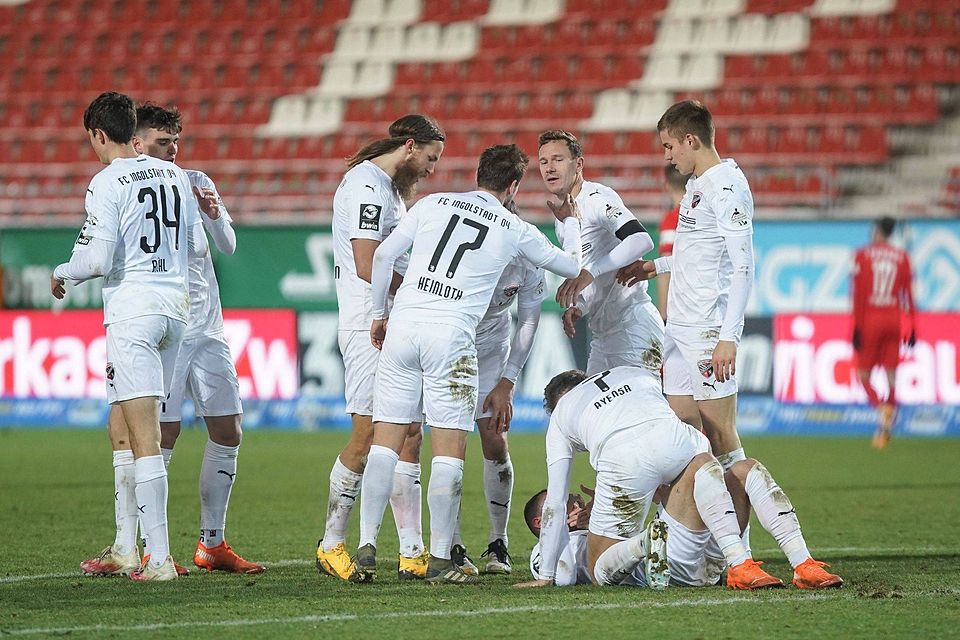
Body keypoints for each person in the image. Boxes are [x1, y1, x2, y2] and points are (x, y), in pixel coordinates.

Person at [354, 144, 583, 584]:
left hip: (404, 324)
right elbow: (571, 264)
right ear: (514, 185)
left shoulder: (432, 204)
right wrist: (569, 221)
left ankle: (366, 548)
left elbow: (381, 257)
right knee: (449, 448)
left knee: (386, 441)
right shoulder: (516, 229)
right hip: (451, 335)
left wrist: (380, 314)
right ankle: (441, 559)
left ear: (478, 174)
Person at [79, 103, 262, 576]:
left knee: (229, 429)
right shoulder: (134, 186)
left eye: (176, 142)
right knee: (157, 435)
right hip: (169, 324)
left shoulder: (193, 181)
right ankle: (136, 545)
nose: (173, 151)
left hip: (207, 329)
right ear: (137, 144)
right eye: (163, 143)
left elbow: (228, 245)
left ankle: (212, 543)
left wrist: (215, 213)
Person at [52, 91, 199, 581]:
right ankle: (124, 547)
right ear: (131, 128)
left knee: (143, 438)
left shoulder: (106, 181)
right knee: (123, 426)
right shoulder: (176, 175)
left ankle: (157, 558)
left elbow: (95, 260)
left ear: (98, 133)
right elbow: (196, 244)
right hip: (175, 308)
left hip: (133, 311)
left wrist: (63, 271)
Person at [513, 366, 785, 591]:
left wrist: (545, 575)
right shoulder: (627, 374)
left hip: (676, 557)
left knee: (599, 572)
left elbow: (556, 502)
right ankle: (745, 560)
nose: (577, 502)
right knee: (722, 472)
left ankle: (647, 542)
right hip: (685, 444)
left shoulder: (563, 414)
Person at [317, 115, 445, 582]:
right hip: (365, 324)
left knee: (409, 432)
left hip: (394, 324)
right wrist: (417, 290)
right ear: (409, 146)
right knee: (369, 433)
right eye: (430, 159)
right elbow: (367, 262)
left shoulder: (389, 189)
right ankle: (331, 543)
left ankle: (412, 550)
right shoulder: (367, 186)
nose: (432, 170)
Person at [617, 100, 755, 474]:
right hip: (678, 328)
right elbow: (696, 256)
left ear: (690, 140)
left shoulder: (726, 189)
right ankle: (695, 529)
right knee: (684, 436)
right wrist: (653, 266)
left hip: (707, 330)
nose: (666, 156)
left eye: (669, 146)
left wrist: (729, 337)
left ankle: (739, 534)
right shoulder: (697, 185)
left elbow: (743, 267)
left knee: (721, 436)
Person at [523, 458, 843, 589]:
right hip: (664, 565)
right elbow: (563, 577)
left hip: (693, 556)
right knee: (699, 462)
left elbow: (665, 503)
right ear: (542, 521)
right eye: (565, 504)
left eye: (574, 499)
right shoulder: (543, 552)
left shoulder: (600, 520)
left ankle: (804, 565)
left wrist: (613, 510)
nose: (575, 503)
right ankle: (735, 564)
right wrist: (581, 530)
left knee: (746, 469)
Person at [451, 249, 547, 575]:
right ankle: (450, 544)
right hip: (449, 344)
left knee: (496, 441)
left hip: (493, 350)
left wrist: (507, 382)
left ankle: (498, 542)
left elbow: (530, 319)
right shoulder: (463, 244)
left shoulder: (526, 254)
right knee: (449, 446)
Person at [537, 130, 664, 377]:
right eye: (543, 162)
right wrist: (581, 306)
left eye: (558, 159)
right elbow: (592, 270)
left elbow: (641, 240)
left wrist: (589, 273)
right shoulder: (563, 219)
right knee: (592, 413)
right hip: (603, 337)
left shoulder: (596, 198)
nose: (549, 168)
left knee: (638, 412)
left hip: (634, 327)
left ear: (579, 164)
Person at [852, 216, 917, 449]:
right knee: (891, 376)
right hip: (894, 319)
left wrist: (857, 327)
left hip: (871, 318)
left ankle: (883, 410)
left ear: (877, 231)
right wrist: (913, 326)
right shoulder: (903, 257)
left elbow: (858, 295)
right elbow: (908, 294)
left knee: (863, 375)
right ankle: (885, 430)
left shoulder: (862, 255)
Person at [655, 164, 689, 320]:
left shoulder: (671, 220)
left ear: (667, 185)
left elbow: (665, 269)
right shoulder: (704, 214)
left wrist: (663, 314)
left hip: (680, 307)